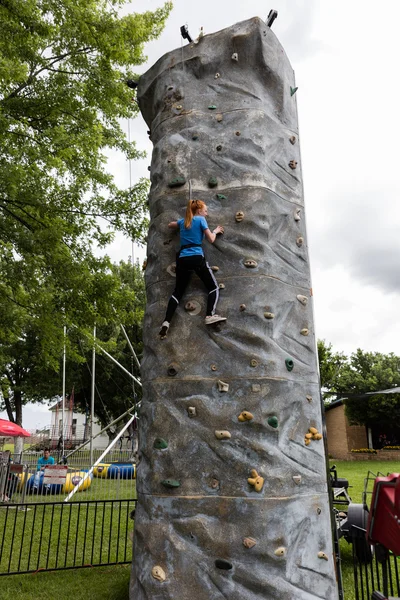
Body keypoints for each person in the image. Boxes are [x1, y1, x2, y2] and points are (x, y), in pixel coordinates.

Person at [159, 199, 226, 338]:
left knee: (177, 292)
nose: (206, 214)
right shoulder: (201, 220)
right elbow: (211, 239)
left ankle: (166, 322)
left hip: (182, 259)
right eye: (205, 211)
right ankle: (209, 315)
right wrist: (216, 231)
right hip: (196, 256)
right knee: (213, 287)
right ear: (199, 211)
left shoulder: (183, 222)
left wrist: (180, 223)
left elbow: (170, 225)